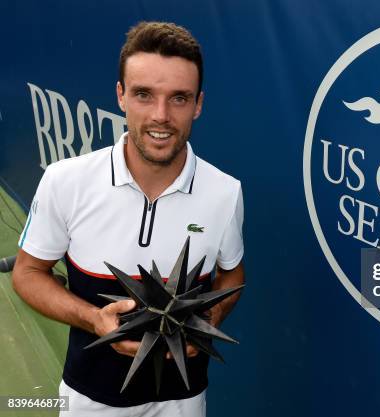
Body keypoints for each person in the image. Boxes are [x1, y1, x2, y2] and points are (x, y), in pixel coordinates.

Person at [12, 21, 244, 417]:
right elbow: (27, 273)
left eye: (179, 99)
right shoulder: (65, 180)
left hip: (184, 400)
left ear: (198, 104)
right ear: (120, 95)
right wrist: (92, 318)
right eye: (143, 94)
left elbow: (232, 277)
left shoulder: (226, 191)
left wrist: (208, 319)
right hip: (89, 399)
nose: (160, 116)